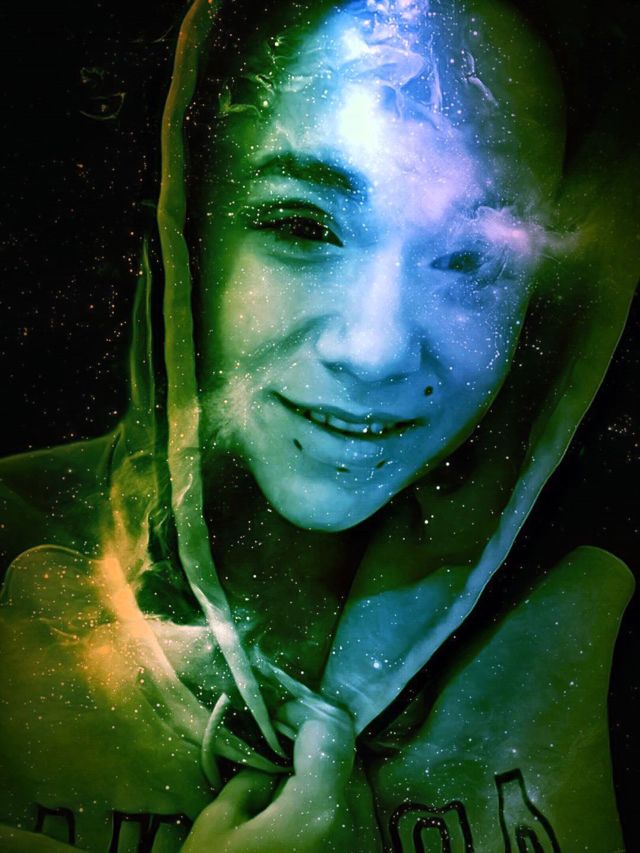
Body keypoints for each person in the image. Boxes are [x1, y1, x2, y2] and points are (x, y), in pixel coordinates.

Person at [0, 0, 638, 849]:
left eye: (475, 254)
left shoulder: (599, 613)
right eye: (302, 226)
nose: (374, 350)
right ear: (189, 227)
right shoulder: (16, 555)